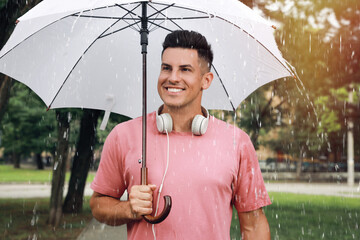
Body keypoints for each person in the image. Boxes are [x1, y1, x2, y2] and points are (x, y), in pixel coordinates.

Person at [90, 30, 271, 239]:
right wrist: (128, 209)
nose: (173, 78)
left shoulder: (236, 142)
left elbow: (253, 226)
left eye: (185, 70)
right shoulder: (124, 135)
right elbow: (98, 205)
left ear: (206, 80)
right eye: (166, 68)